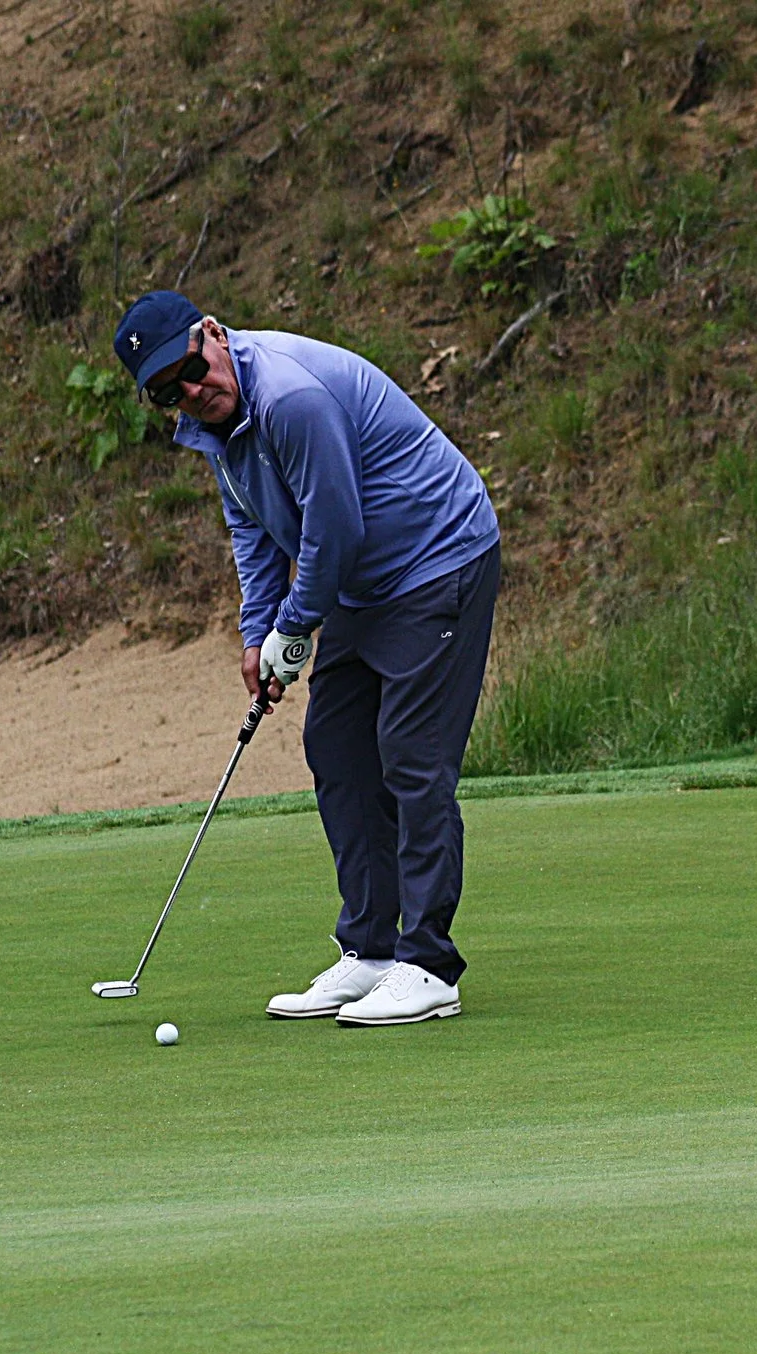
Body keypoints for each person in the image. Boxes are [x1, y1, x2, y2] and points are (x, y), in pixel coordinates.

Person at [112, 291, 503, 1026]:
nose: (192, 391)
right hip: (362, 579)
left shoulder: (290, 397)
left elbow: (334, 528)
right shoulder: (216, 429)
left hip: (437, 556)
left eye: (193, 368)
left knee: (411, 756)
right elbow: (254, 527)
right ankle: (372, 951)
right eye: (170, 391)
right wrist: (259, 631)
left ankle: (428, 966)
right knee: (337, 746)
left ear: (214, 334)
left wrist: (295, 628)